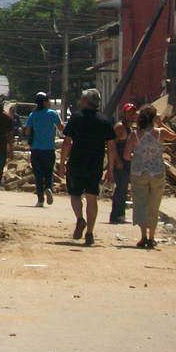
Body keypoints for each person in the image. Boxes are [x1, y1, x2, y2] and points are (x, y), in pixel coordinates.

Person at [58, 88, 115, 246]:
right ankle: (89, 233)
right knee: (92, 198)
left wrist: (62, 163)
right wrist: (110, 169)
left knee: (75, 194)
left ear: (85, 102)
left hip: (76, 163)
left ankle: (80, 219)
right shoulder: (104, 120)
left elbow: (67, 142)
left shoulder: (76, 118)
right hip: (95, 165)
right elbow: (111, 146)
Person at [123, 104, 176, 248]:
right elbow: (174, 136)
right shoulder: (160, 133)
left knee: (140, 204)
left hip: (139, 173)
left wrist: (138, 157)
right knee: (154, 204)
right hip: (157, 172)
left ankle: (143, 236)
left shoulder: (134, 135)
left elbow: (127, 155)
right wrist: (161, 123)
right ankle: (152, 237)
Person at [24, 91, 63, 207]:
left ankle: (40, 199)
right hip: (49, 148)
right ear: (45, 102)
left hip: (36, 149)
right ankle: (49, 188)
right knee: (49, 172)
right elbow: (61, 128)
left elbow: (26, 132)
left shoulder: (33, 115)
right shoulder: (52, 114)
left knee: (38, 175)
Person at [108, 103, 139, 224]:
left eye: (133, 113)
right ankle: (117, 215)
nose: (131, 115)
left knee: (124, 189)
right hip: (120, 163)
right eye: (129, 113)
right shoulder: (119, 127)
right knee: (120, 189)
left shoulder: (130, 128)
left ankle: (120, 214)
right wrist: (118, 160)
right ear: (123, 113)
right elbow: (112, 145)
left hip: (128, 163)